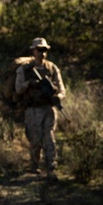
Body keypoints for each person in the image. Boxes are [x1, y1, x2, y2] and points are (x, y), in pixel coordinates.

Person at [15, 37, 65, 181]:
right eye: (39, 50)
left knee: (49, 138)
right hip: (32, 109)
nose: (42, 53)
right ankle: (34, 166)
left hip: (48, 108)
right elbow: (18, 89)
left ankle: (51, 167)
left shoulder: (52, 68)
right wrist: (30, 83)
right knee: (35, 139)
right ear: (33, 51)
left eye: (44, 50)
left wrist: (58, 96)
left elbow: (61, 88)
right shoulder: (24, 69)